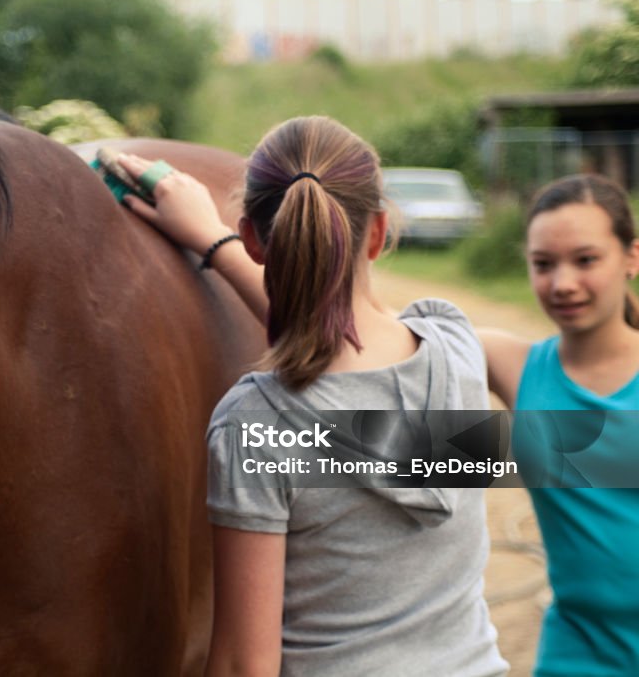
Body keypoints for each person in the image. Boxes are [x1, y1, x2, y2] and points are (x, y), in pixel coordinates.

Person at [119, 116, 508, 677]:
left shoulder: (256, 426)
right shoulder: (458, 348)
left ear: (254, 237)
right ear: (377, 232)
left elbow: (242, 665)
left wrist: (216, 242)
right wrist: (219, 244)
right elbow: (351, 370)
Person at [480, 174, 639, 677]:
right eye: (543, 264)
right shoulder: (513, 366)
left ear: (632, 258)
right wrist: (226, 246)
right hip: (576, 655)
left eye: (586, 260)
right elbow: (353, 330)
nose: (562, 283)